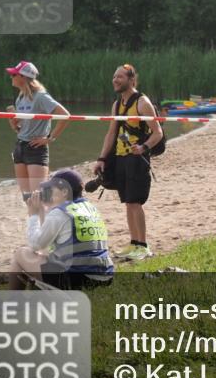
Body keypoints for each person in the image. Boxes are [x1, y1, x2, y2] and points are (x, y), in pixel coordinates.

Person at [92, 64, 164, 260]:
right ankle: (134, 244)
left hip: (137, 160)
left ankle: (143, 246)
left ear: (131, 80)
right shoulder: (116, 105)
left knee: (135, 202)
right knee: (128, 202)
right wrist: (101, 158)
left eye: (120, 77)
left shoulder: (142, 102)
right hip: (121, 159)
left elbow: (158, 132)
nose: (115, 80)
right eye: (114, 76)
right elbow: (111, 133)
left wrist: (143, 148)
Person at [9, 169, 114, 290]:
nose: (47, 193)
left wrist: (33, 215)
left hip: (79, 280)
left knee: (21, 254)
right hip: (105, 277)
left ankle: (13, 302)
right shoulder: (90, 208)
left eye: (51, 189)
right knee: (48, 255)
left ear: (64, 191)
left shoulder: (60, 213)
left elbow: (35, 244)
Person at [5, 61, 70, 199]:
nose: (11, 77)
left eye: (14, 74)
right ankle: (32, 221)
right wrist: (15, 124)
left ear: (23, 77)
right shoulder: (20, 97)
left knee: (39, 197)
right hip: (20, 147)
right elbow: (22, 127)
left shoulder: (41, 96)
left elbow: (65, 115)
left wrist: (50, 138)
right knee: (27, 197)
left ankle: (44, 221)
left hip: (36, 149)